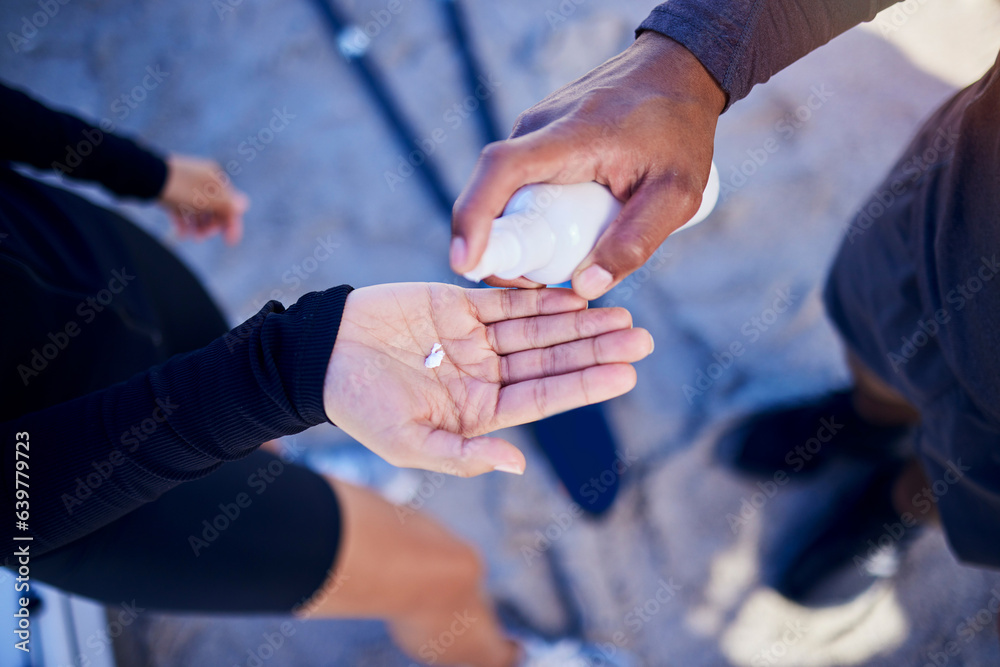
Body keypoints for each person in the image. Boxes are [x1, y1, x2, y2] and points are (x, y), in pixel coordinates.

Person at [0, 82, 654, 666]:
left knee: (253, 426)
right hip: (76, 491)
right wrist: (287, 370)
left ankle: (295, 468)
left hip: (77, 258)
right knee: (445, 574)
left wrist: (140, 171)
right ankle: (506, 660)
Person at [451, 0, 1000, 601]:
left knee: (972, 485)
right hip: (946, 215)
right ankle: (871, 422)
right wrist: (687, 60)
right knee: (872, 327)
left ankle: (902, 500)